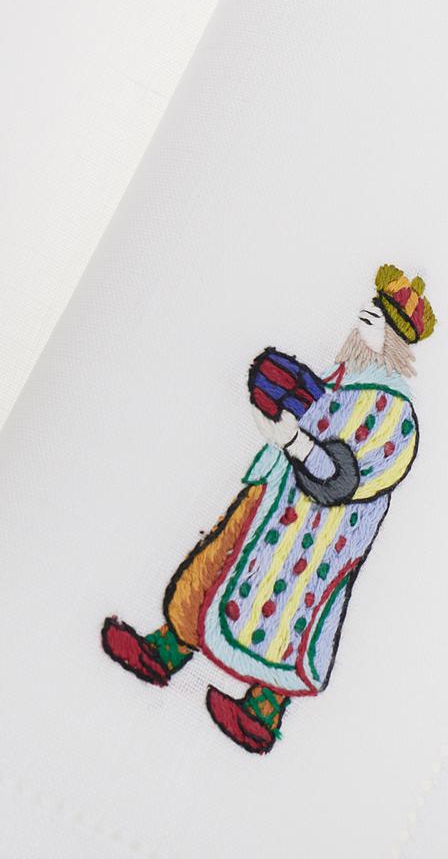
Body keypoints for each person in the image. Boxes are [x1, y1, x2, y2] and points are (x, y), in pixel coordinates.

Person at [102, 264, 434, 753]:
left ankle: (262, 712)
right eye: (368, 311)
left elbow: (346, 476)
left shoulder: (394, 412)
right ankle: (165, 650)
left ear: (392, 342)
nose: (363, 320)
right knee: (213, 562)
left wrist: (292, 440)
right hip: (273, 502)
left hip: (316, 541)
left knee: (292, 616)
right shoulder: (346, 385)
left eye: (376, 319)